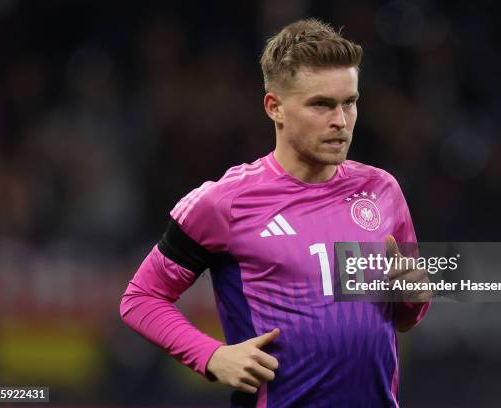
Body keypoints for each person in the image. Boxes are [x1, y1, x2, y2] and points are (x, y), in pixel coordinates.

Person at [120, 18, 432, 408]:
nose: (340, 120)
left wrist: (414, 296)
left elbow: (404, 316)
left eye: (349, 102)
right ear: (275, 107)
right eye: (321, 104)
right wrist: (212, 355)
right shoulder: (226, 202)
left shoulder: (381, 190)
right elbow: (141, 298)